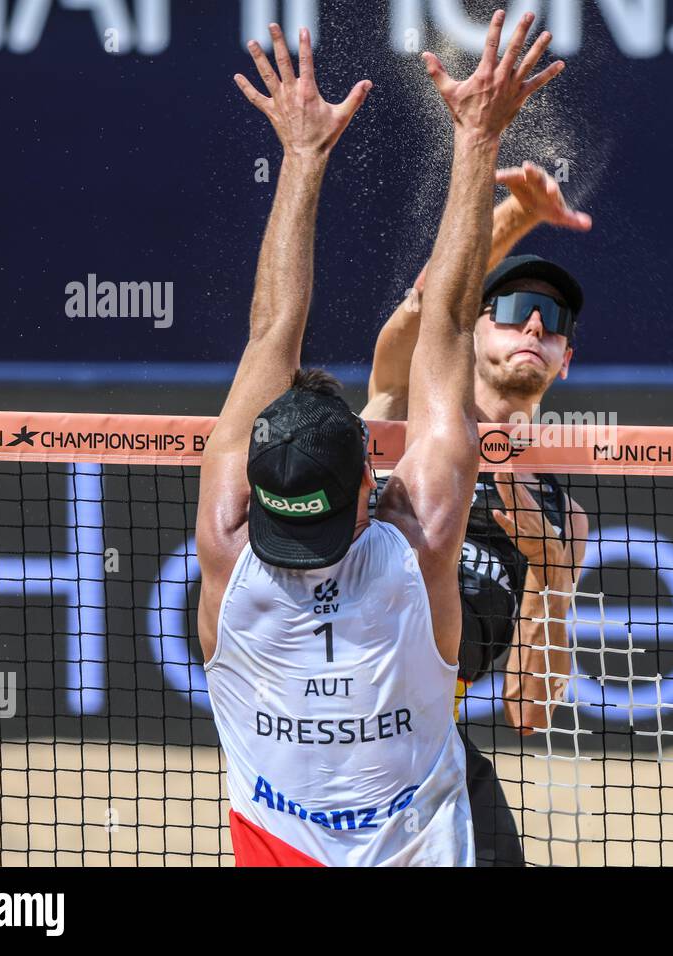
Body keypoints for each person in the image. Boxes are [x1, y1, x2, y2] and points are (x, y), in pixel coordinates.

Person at [195, 12, 564, 866]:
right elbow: (447, 325)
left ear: (254, 487)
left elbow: (270, 330)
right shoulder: (419, 548)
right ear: (371, 481)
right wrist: (477, 139)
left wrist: (299, 158)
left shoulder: (226, 549)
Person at [361, 126, 593, 868]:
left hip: (429, 742)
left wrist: (550, 570)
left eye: (554, 323)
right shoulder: (405, 412)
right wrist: (517, 214)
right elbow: (426, 310)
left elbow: (529, 709)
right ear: (470, 330)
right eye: (517, 307)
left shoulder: (563, 516)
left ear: (564, 361)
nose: (536, 325)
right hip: (333, 709)